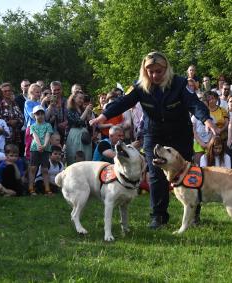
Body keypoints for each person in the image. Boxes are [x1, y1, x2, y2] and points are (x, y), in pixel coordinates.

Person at [90, 51, 215, 229]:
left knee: (189, 172)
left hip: (180, 133)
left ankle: (194, 214)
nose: (155, 75)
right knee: (156, 176)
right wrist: (103, 116)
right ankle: (158, 216)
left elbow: (194, 103)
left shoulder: (179, 83)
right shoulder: (140, 86)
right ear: (144, 71)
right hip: (154, 134)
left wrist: (206, 120)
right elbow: (123, 102)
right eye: (150, 71)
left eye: (159, 71)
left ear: (166, 69)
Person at [28, 105, 53, 196]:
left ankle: (47, 189)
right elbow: (35, 136)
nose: (40, 115)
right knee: (33, 168)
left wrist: (45, 145)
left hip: (45, 149)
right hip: (35, 148)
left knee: (45, 169)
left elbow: (48, 135)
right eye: (38, 114)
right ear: (34, 115)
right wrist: (39, 145)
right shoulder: (32, 126)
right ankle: (31, 188)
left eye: (42, 113)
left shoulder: (48, 125)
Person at [65, 91, 94, 165]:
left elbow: (89, 123)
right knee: (75, 157)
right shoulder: (70, 110)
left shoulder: (83, 109)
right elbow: (78, 122)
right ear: (74, 98)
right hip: (75, 135)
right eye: (80, 98)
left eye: (82, 99)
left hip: (84, 135)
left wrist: (88, 113)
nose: (81, 100)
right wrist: (86, 110)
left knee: (86, 156)